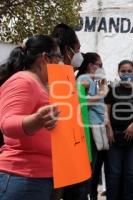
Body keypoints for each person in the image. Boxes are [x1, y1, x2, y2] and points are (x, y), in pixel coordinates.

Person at [0, 35, 61, 200]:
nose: (60, 63)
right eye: (58, 57)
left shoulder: (39, 83)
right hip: (23, 177)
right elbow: (8, 124)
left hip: (38, 177)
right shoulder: (23, 81)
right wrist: (37, 120)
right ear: (45, 58)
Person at [105, 60, 133, 200]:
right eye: (123, 71)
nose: (126, 74)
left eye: (129, 71)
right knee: (114, 173)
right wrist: (109, 129)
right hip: (114, 137)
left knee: (131, 174)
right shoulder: (112, 89)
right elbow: (106, 111)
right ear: (118, 73)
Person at [51, 23, 85, 200]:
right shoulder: (55, 75)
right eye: (78, 49)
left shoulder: (67, 74)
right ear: (67, 50)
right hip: (56, 155)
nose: (79, 55)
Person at [76, 53, 108, 200]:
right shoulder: (84, 79)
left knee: (94, 169)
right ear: (91, 65)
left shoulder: (92, 80)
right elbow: (82, 103)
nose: (101, 68)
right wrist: (103, 90)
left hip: (96, 127)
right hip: (89, 129)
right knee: (89, 169)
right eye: (99, 65)